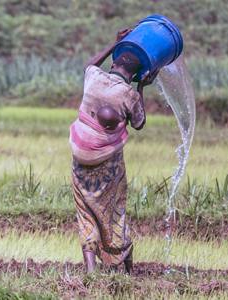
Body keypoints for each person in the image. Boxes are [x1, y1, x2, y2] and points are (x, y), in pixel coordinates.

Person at [69, 28, 158, 273]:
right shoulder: (128, 94)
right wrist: (142, 87)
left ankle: (90, 270)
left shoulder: (94, 78)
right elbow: (139, 123)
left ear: (114, 62)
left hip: (80, 154)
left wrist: (114, 42)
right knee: (115, 210)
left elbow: (90, 65)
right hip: (107, 162)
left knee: (85, 210)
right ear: (134, 74)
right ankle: (127, 271)